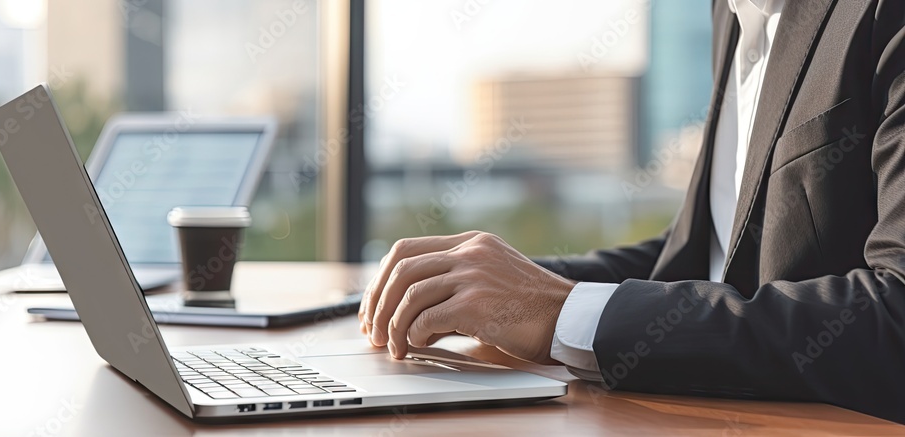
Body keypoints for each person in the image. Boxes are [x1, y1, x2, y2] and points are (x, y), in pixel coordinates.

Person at [358, 0, 905, 423]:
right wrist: (493, 288)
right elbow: (707, 254)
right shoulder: (734, 14)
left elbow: (895, 315)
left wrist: (566, 311)